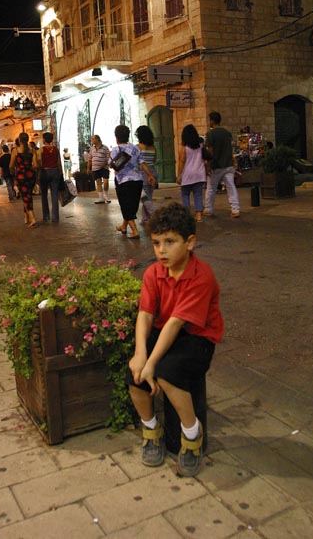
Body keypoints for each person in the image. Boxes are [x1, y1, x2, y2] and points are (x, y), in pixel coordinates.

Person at [125, 202, 224, 477]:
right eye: (157, 243)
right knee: (133, 375)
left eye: (170, 242)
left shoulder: (201, 276)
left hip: (197, 336)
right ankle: (150, 428)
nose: (161, 250)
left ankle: (192, 435)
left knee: (167, 373)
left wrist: (152, 362)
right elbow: (145, 314)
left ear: (189, 242)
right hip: (168, 330)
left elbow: (176, 322)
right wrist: (140, 354)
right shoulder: (153, 273)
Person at [110, 124, 155, 239]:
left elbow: (112, 165)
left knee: (125, 206)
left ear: (116, 137)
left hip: (123, 182)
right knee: (132, 206)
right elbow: (143, 163)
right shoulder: (135, 148)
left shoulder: (115, 150)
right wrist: (150, 175)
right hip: (137, 181)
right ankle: (124, 226)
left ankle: (135, 231)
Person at [204, 111, 240, 218]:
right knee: (231, 187)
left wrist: (208, 166)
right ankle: (235, 209)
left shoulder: (210, 134)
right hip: (228, 164)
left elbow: (210, 151)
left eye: (209, 120)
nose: (208, 122)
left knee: (211, 188)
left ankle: (209, 209)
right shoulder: (227, 133)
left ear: (213, 121)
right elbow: (230, 148)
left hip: (216, 165)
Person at [176, 124, 207, 222]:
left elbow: (181, 162)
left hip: (188, 175)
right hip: (199, 174)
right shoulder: (201, 146)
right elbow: (205, 160)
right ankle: (199, 216)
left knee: (185, 195)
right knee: (198, 195)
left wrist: (178, 176)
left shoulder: (184, 148)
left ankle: (187, 215)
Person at [9, 132, 38, 227]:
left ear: (20, 140)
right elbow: (36, 165)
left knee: (26, 196)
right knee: (28, 195)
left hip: (21, 176)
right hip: (31, 175)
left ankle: (32, 218)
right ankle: (26, 217)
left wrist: (14, 171)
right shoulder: (32, 150)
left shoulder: (15, 151)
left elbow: (11, 165)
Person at [135, 125, 158, 224]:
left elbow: (136, 162)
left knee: (144, 197)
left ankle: (155, 215)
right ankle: (145, 219)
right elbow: (154, 160)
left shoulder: (138, 147)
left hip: (142, 173)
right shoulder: (153, 148)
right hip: (153, 172)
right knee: (148, 196)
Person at [39, 132, 62, 223]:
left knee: (44, 194)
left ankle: (46, 216)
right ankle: (55, 217)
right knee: (54, 194)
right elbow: (59, 162)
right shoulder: (56, 149)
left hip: (45, 172)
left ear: (44, 139)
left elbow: (39, 162)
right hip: (55, 171)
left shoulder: (41, 150)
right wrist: (60, 174)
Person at [87, 135, 111, 204]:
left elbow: (109, 157)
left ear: (97, 139)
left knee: (106, 181)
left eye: (93, 139)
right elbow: (89, 159)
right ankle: (101, 198)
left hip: (104, 168)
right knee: (98, 183)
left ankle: (106, 195)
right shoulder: (92, 149)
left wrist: (104, 163)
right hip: (95, 168)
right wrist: (88, 168)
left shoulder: (105, 148)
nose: (92, 140)